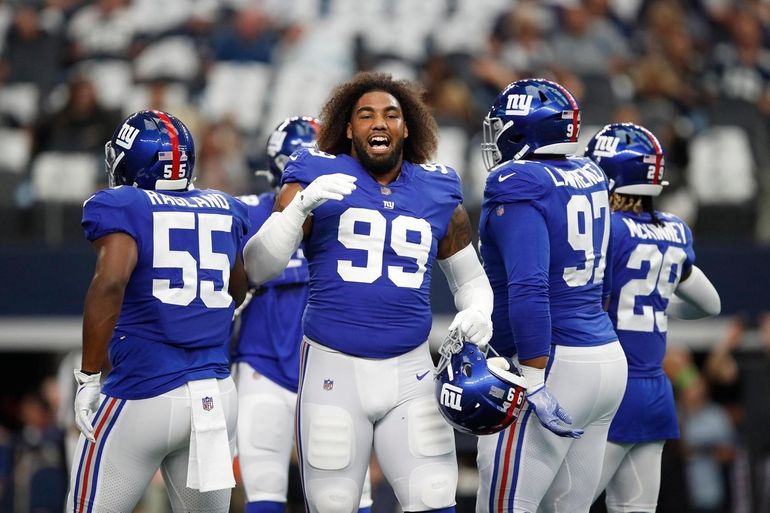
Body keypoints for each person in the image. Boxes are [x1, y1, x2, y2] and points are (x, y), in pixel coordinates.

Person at [243, 71, 494, 513]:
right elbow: (259, 267)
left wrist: (478, 313)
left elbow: (471, 282)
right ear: (347, 128)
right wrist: (298, 208)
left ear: (407, 127)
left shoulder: (437, 188)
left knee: (435, 499)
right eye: (366, 115)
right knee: (335, 504)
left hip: (412, 372)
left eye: (391, 115)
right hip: (333, 368)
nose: (379, 123)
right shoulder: (316, 173)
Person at [67, 110, 250, 512]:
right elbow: (239, 287)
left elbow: (112, 281)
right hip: (216, 395)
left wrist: (89, 375)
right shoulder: (226, 205)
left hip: (143, 391)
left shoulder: (124, 204)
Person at [475, 78, 628, 513]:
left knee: (504, 506)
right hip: (603, 357)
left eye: (504, 123)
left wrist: (534, 378)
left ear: (524, 130)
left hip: (551, 363)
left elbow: (529, 285)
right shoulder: (592, 173)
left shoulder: (516, 179)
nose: (498, 132)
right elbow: (605, 283)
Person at [234, 116, 373, 513]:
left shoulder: (358, 216)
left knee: (348, 497)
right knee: (264, 492)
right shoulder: (247, 215)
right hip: (266, 369)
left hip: (332, 370)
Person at [584, 122, 721, 513]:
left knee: (557, 507)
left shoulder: (605, 229)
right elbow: (710, 304)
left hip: (609, 389)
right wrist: (663, 305)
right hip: (654, 391)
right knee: (635, 508)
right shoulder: (674, 229)